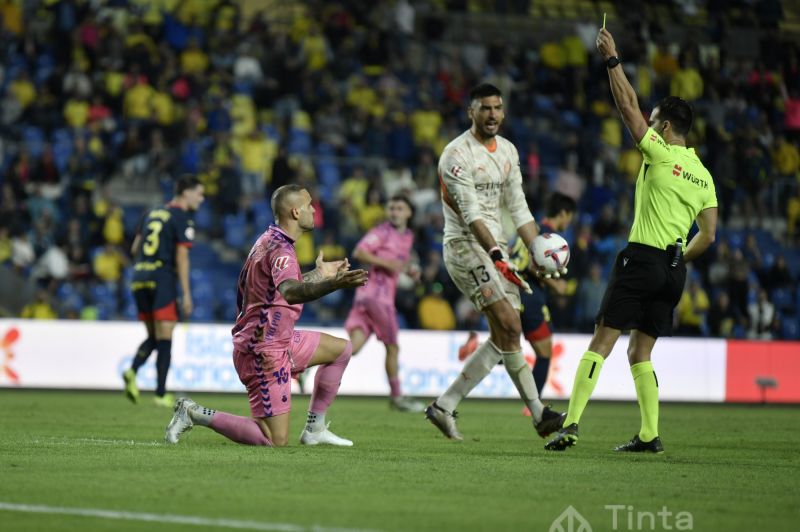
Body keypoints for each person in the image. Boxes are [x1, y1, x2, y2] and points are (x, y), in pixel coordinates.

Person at [545, 27, 718, 453]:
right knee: (640, 351)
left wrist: (612, 59)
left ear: (667, 125)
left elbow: (626, 105)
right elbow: (709, 236)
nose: (651, 126)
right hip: (672, 271)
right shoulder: (705, 177)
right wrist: (681, 260)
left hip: (641, 259)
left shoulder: (659, 152)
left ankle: (569, 424)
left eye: (655, 120)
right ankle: (648, 435)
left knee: (602, 340)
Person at [164, 184, 368, 447]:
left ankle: (314, 429)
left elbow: (278, 291)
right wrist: (335, 284)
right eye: (308, 205)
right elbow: (292, 293)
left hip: (280, 338)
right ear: (295, 212)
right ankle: (193, 413)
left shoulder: (269, 240)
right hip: (263, 349)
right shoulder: (282, 250)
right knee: (272, 439)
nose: (313, 209)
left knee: (341, 350)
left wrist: (320, 275)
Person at [425, 83, 565, 441]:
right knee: (507, 321)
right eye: (484, 108)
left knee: (507, 332)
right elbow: (471, 213)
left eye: (497, 108)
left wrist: (539, 253)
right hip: (465, 245)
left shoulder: (507, 151)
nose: (492, 115)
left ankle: (444, 406)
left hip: (496, 247)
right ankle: (539, 415)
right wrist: (498, 255)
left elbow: (519, 207)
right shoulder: (456, 155)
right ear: (471, 112)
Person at [459, 192, 577, 407]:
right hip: (528, 294)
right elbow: (532, 264)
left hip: (513, 289)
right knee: (544, 351)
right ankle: (534, 405)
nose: (569, 222)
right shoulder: (546, 237)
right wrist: (555, 283)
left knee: (509, 347)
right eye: (570, 216)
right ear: (563, 213)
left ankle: (477, 348)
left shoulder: (531, 229)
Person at [123, 175, 204, 407]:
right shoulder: (182, 218)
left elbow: (135, 248)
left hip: (139, 277)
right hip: (162, 278)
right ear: (185, 192)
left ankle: (132, 371)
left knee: (154, 336)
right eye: (199, 192)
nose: (202, 198)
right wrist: (187, 293)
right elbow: (182, 256)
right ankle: (160, 394)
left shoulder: (150, 213)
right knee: (165, 336)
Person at [345, 195, 424, 412]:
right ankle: (397, 397)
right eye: (392, 208)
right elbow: (359, 251)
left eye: (400, 208)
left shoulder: (408, 236)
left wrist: (409, 269)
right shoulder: (381, 232)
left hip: (366, 298)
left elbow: (400, 261)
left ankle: (303, 367)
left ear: (409, 213)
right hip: (377, 297)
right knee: (392, 346)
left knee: (353, 347)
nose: (395, 212)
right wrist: (386, 263)